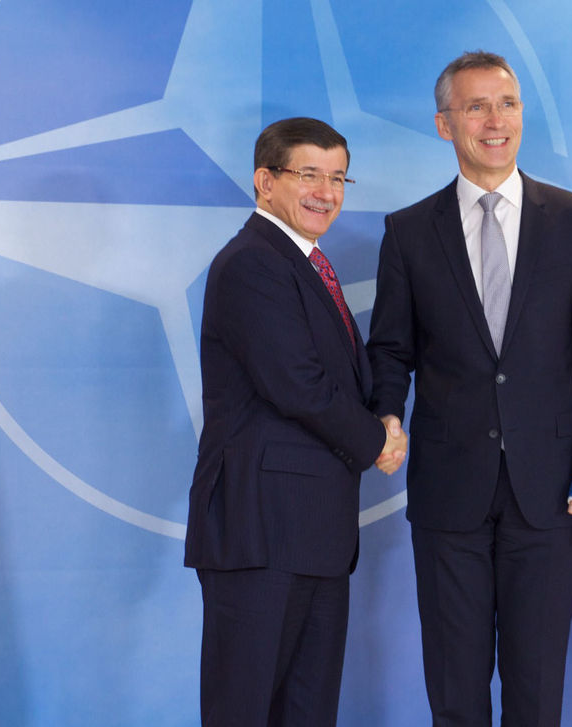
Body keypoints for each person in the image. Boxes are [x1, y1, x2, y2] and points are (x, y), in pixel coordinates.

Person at [366, 51, 572, 726]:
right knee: (455, 685)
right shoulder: (408, 232)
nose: (495, 120)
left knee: (536, 686)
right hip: (449, 491)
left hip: (553, 492)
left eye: (506, 104)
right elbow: (391, 349)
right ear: (445, 123)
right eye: (476, 106)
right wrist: (387, 415)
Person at [184, 116, 407, 727]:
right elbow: (299, 386)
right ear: (265, 181)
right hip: (261, 532)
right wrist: (377, 442)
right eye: (308, 174)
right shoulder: (252, 263)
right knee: (245, 710)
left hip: (314, 537)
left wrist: (383, 416)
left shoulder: (305, 264)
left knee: (306, 713)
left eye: (338, 177)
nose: (326, 192)